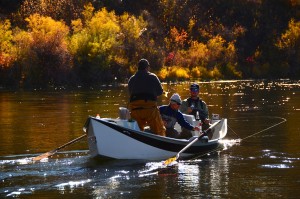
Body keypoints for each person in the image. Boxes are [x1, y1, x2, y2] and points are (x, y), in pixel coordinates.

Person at [128, 58, 166, 136]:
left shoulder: (132, 79)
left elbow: (130, 93)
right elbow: (160, 91)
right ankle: (162, 143)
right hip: (150, 109)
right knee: (159, 130)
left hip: (135, 109)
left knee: (136, 132)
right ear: (147, 67)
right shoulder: (153, 76)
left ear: (138, 67)